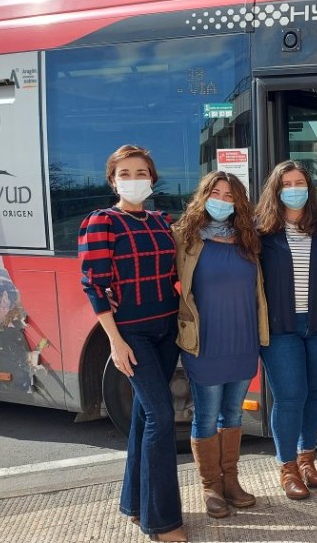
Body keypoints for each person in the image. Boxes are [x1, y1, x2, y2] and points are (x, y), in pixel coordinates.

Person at [77, 145, 187, 542]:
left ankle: (135, 503)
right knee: (161, 419)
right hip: (133, 334)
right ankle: (163, 522)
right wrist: (114, 341)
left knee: (144, 418)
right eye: (125, 173)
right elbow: (93, 283)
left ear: (153, 178)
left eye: (141, 172)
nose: (134, 179)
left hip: (166, 330)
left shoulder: (161, 221)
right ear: (112, 180)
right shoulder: (101, 222)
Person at [173, 171, 268, 518]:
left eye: (230, 196)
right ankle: (210, 486)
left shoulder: (248, 238)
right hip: (205, 343)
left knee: (233, 414)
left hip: (243, 340)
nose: (223, 200)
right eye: (216, 193)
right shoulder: (185, 237)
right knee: (208, 415)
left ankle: (231, 482)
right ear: (204, 195)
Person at [256, 160, 317, 500]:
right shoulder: (261, 230)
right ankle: (287, 467)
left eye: (300, 182)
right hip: (281, 328)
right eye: (287, 184)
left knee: (314, 392)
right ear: (276, 191)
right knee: (290, 396)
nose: (295, 189)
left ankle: (307, 459)